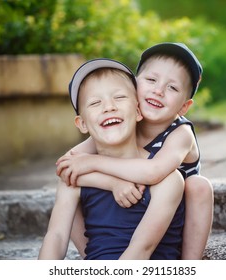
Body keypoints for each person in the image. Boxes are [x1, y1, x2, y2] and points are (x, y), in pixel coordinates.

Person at [57, 43, 214, 260]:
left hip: (170, 212)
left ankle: (189, 263)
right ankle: (92, 256)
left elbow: (154, 172)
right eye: (151, 80)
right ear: (134, 83)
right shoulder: (122, 121)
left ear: (184, 107)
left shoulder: (180, 133)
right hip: (131, 209)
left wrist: (93, 163)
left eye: (173, 88)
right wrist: (112, 183)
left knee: (199, 186)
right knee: (72, 182)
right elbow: (68, 164)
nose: (158, 91)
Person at [38, 58, 185, 260]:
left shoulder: (167, 180)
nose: (109, 107)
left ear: (138, 111)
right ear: (82, 124)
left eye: (119, 97)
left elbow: (141, 249)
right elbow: (56, 236)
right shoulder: (75, 178)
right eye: (95, 102)